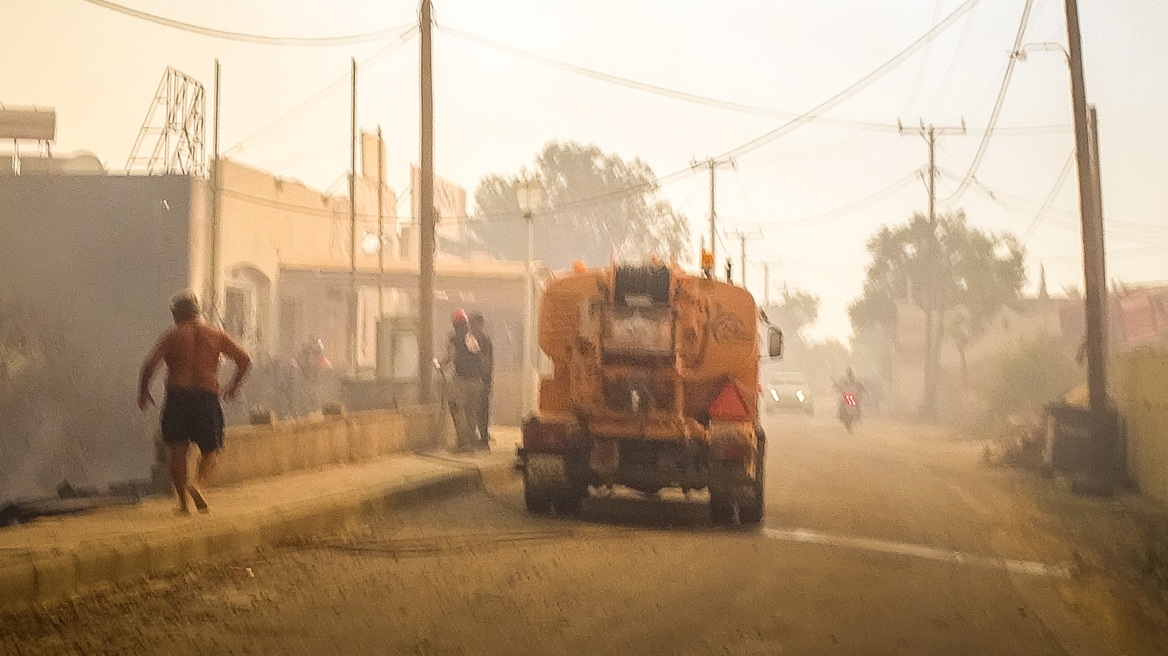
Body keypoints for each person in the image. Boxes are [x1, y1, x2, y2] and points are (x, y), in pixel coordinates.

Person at [138, 291, 251, 514]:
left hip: (178, 395)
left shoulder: (173, 335)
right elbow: (244, 359)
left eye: (173, 312)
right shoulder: (216, 335)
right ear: (196, 311)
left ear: (179, 312)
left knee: (177, 451)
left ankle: (183, 504)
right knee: (211, 448)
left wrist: (143, 392)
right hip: (206, 396)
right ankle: (197, 485)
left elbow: (150, 364)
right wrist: (233, 387)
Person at [438, 309, 485, 452]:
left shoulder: (453, 338)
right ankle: (472, 441)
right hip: (477, 381)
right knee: (470, 412)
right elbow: (479, 357)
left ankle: (464, 444)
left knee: (458, 410)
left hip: (462, 380)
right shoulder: (471, 337)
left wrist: (439, 365)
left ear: (454, 324)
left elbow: (452, 356)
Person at [468, 311, 494, 450]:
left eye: (474, 324)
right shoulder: (479, 339)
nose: (472, 327)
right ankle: (480, 438)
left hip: (481, 381)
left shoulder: (482, 340)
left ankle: (483, 439)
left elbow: (484, 361)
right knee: (476, 410)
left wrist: (483, 380)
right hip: (480, 380)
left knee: (481, 410)